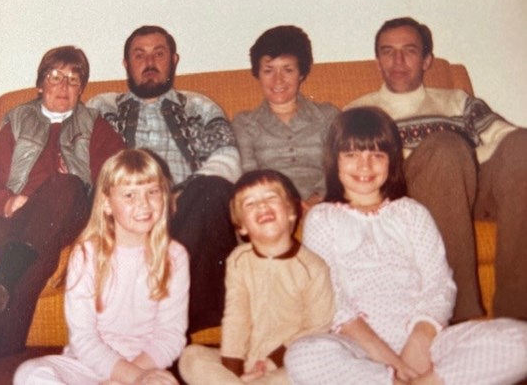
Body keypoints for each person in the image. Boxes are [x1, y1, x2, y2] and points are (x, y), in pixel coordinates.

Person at [284, 107, 527, 385]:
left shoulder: (412, 213)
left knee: (521, 339)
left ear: (392, 160)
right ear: (334, 161)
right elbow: (331, 298)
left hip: (424, 342)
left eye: (377, 155)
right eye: (352, 155)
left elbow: (439, 285)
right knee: (302, 355)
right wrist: (392, 364)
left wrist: (420, 341)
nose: (365, 166)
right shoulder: (322, 218)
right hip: (359, 348)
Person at [345, 16, 527, 322]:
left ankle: (518, 318)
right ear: (378, 62)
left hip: (474, 187)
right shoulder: (360, 112)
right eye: (388, 51)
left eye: (410, 50)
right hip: (412, 195)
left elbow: (505, 137)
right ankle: (460, 318)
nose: (398, 60)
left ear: (427, 59)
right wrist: (450, 151)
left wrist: (469, 158)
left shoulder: (456, 99)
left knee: (522, 143)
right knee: (446, 148)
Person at [0, 46, 125, 383]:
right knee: (38, 254)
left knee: (68, 185)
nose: (63, 85)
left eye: (73, 80)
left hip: (67, 216)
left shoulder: (95, 126)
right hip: (9, 222)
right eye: (54, 77)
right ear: (40, 85)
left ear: (81, 89)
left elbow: (116, 177)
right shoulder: (16, 120)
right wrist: (10, 202)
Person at [87, 25, 241, 335]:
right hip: (126, 209)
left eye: (159, 54)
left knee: (213, 190)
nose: (150, 62)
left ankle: (158, 327)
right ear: (126, 64)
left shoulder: (199, 106)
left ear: (174, 60)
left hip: (188, 205)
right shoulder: (101, 108)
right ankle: (168, 334)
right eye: (139, 55)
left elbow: (228, 159)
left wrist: (180, 196)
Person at [14, 149, 189, 385]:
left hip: (146, 365)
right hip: (88, 366)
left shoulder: (175, 256)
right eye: (129, 195)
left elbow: (170, 337)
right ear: (107, 203)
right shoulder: (87, 254)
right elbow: (84, 338)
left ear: (164, 196)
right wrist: (130, 377)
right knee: (29, 373)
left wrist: (131, 377)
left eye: (152, 192)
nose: (143, 203)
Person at [178, 169, 335, 385]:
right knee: (191, 357)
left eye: (271, 198)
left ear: (292, 211)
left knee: (306, 372)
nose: (262, 206)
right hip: (247, 359)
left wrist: (271, 362)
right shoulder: (239, 260)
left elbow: (317, 327)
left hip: (287, 362)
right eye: (250, 204)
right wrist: (234, 368)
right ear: (241, 226)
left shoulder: (313, 267)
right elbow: (236, 317)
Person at [232, 25, 339, 213]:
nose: (278, 80)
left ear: (302, 73)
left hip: (326, 204)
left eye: (287, 70)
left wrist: (317, 199)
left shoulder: (328, 116)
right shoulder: (245, 123)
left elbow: (340, 166)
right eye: (268, 71)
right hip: (267, 209)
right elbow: (249, 175)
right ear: (257, 74)